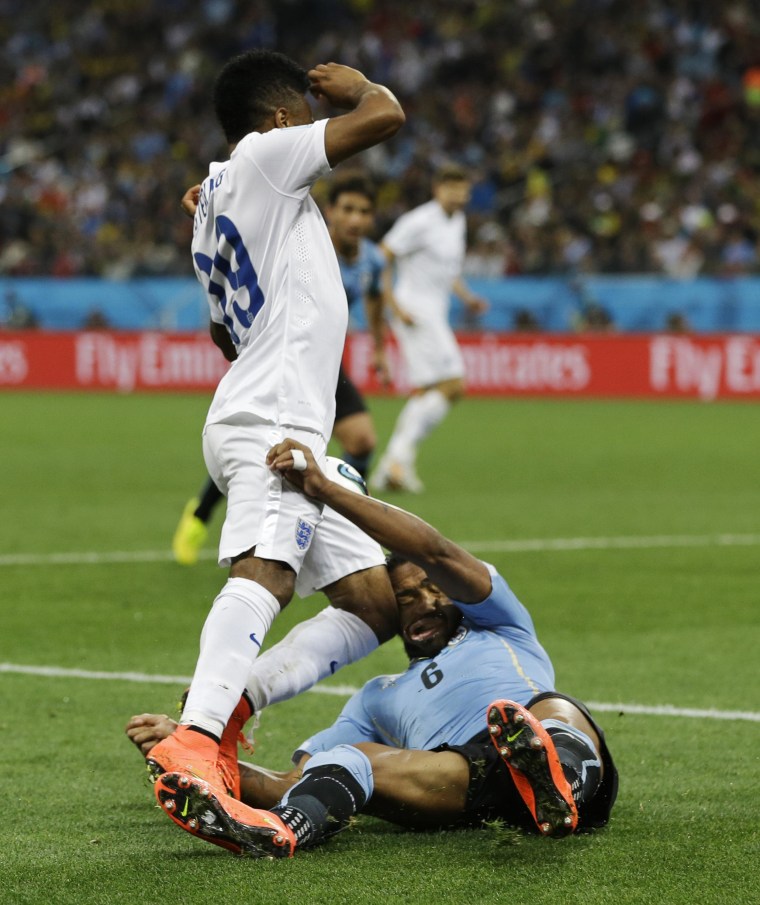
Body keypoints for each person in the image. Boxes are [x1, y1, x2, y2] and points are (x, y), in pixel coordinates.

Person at [127, 437, 618, 858]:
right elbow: (289, 779)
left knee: (550, 709)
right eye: (404, 597)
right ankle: (279, 832)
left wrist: (325, 488)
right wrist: (197, 743)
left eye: (435, 589)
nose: (424, 601)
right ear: (391, 614)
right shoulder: (376, 697)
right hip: (463, 781)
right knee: (348, 758)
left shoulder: (501, 624)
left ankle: (558, 779)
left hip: (536, 737)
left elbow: (436, 551)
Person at [145, 49, 405, 828]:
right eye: (305, 111)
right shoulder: (264, 155)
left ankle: (223, 714)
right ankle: (193, 740)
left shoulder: (209, 206)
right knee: (269, 573)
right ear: (282, 120)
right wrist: (357, 87)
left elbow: (227, 339)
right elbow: (385, 115)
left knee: (373, 601)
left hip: (264, 407)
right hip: (275, 420)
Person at [171, 172, 401, 566]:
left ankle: (342, 528)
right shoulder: (307, 246)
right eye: (347, 209)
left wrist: (380, 350)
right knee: (258, 447)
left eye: (363, 212)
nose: (355, 219)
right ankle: (199, 515)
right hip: (281, 356)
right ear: (331, 212)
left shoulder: (373, 260)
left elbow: (377, 303)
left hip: (324, 363)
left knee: (361, 441)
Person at [370, 163, 489, 494]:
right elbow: (381, 257)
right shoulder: (419, 221)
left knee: (427, 391)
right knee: (454, 384)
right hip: (414, 310)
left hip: (434, 311)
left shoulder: (458, 222)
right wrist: (393, 304)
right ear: (437, 189)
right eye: (451, 187)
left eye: (463, 188)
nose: (458, 194)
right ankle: (398, 459)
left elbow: (448, 272)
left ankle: (391, 468)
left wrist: (468, 297)